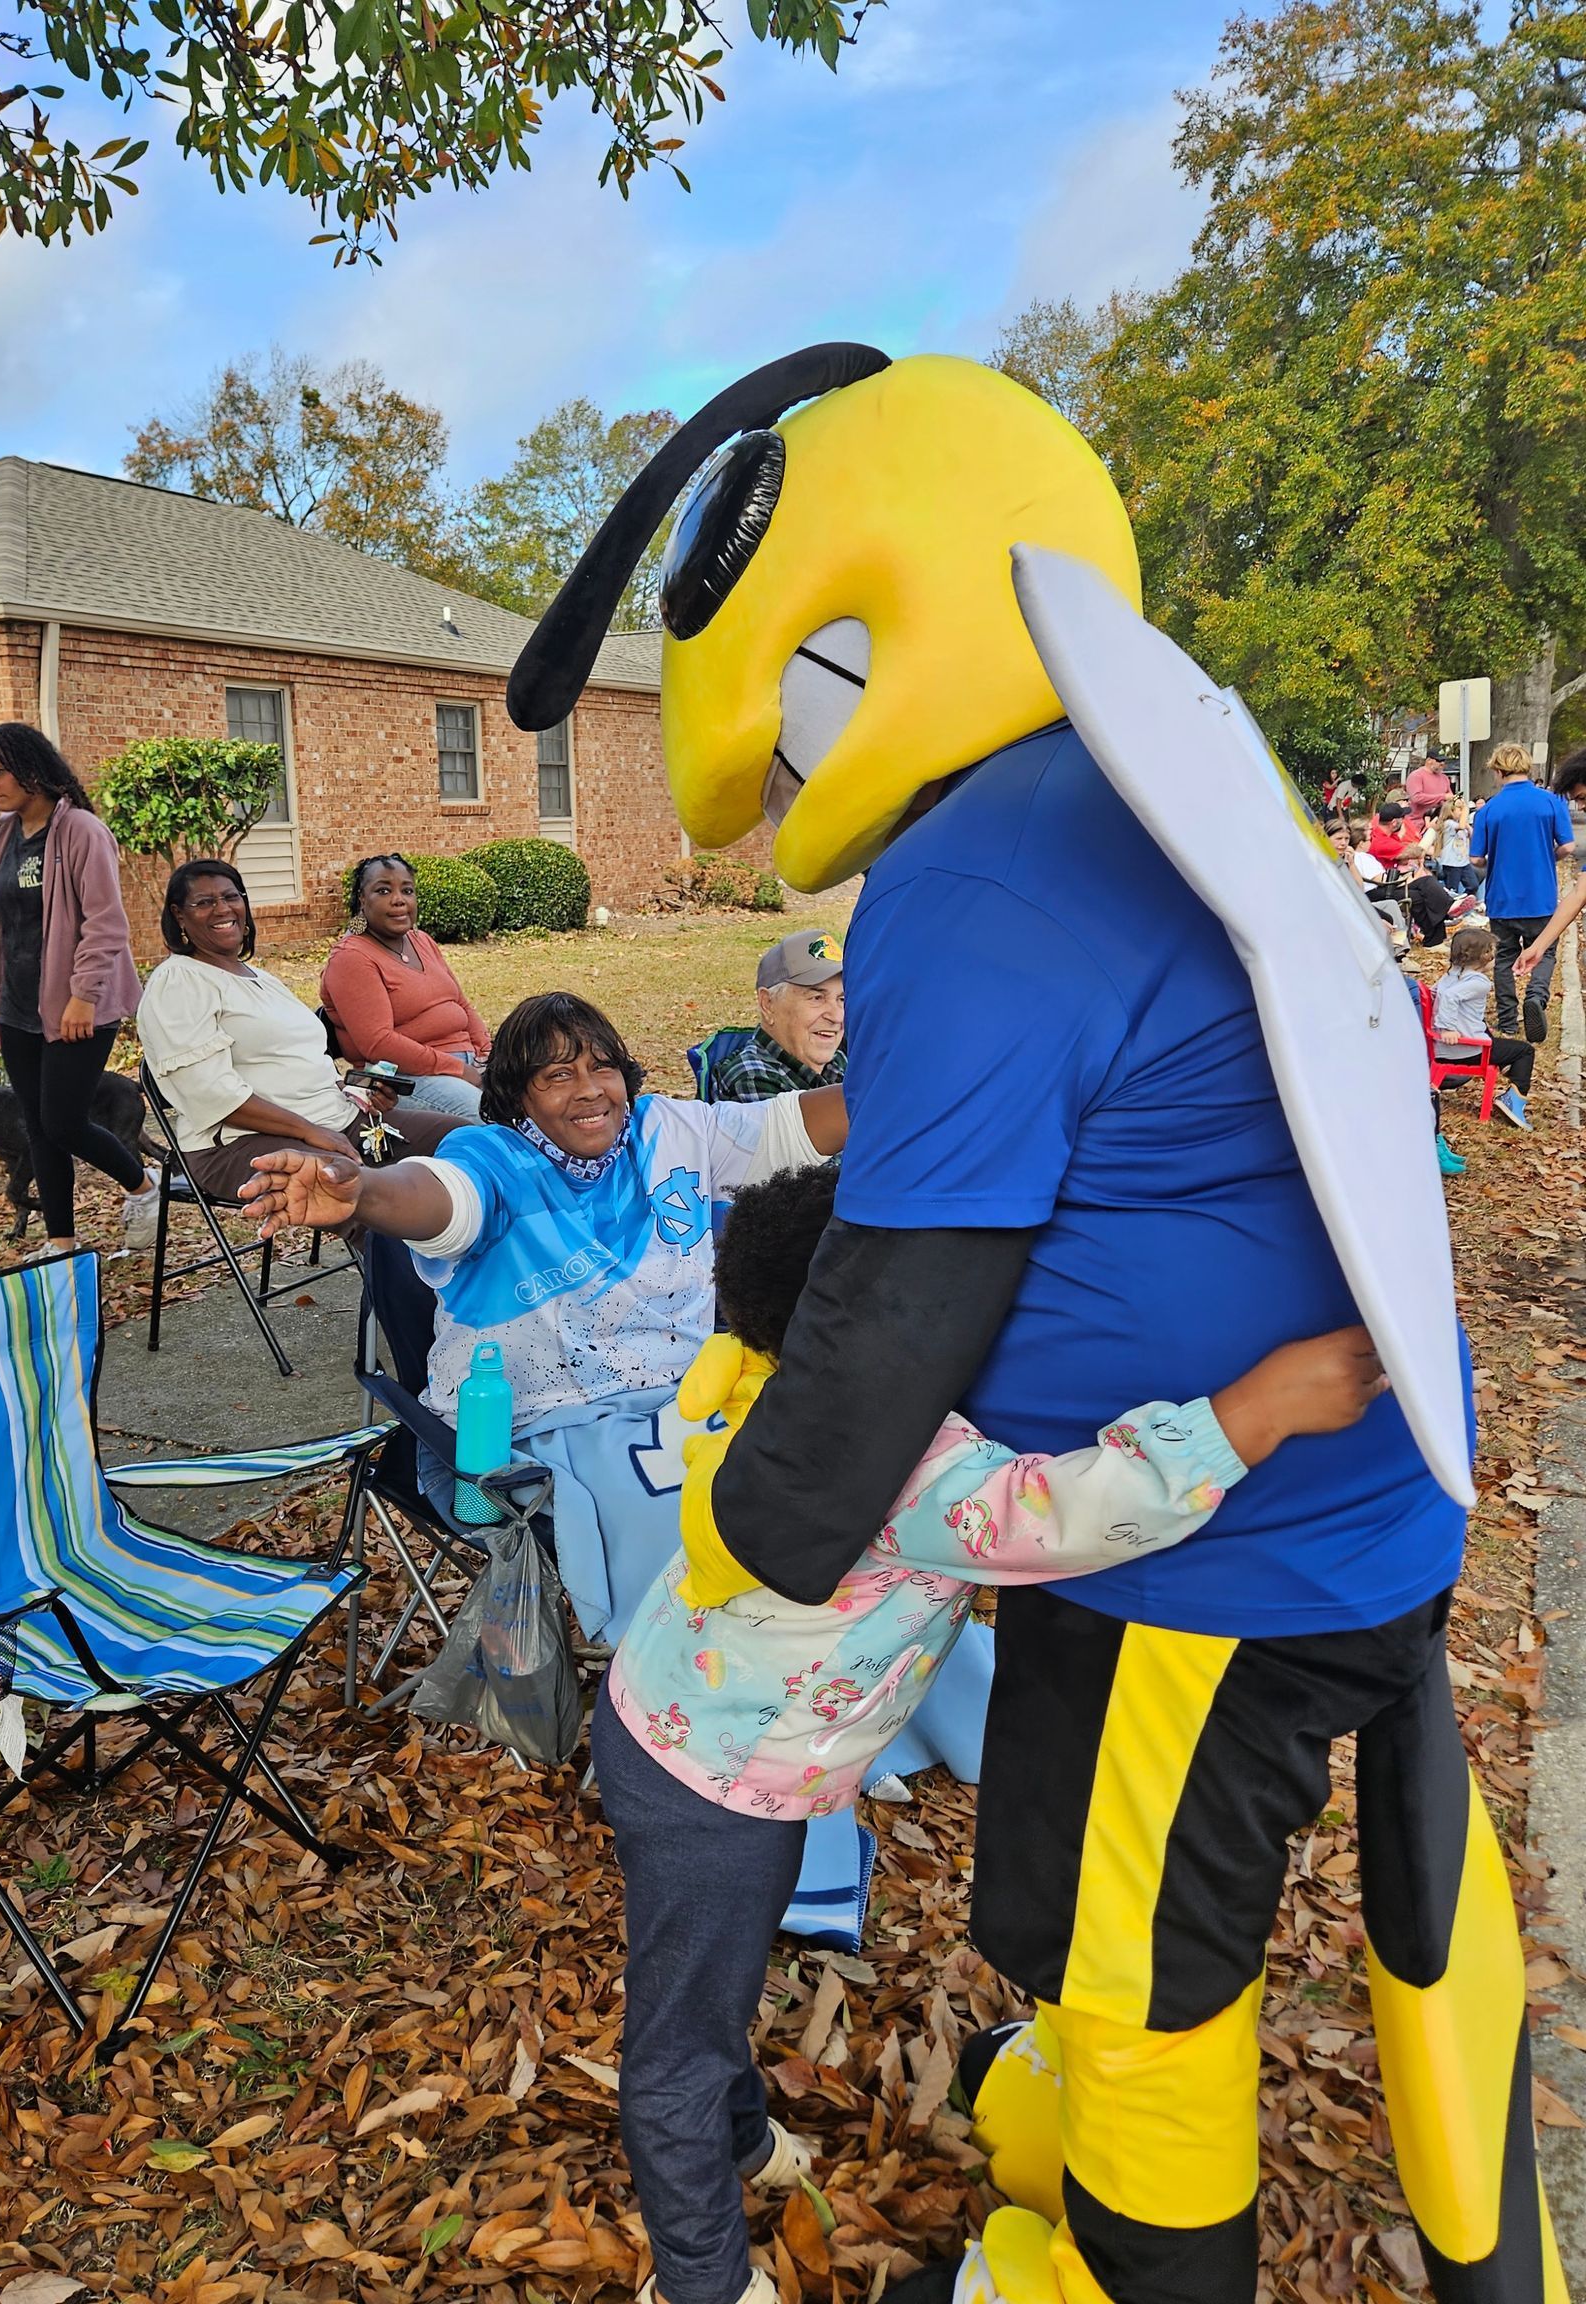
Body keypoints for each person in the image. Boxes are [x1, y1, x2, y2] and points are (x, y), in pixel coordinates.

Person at [505, 347, 1558, 2301]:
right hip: (1322, 1504)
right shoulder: (1161, 779)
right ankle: (1463, 2244)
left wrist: (764, 1529)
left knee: (1158, 1983)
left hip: (1232, 1564)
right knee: (1319, 1893)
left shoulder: (980, 868)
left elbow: (909, 1295)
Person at [597, 1161, 1387, 2304]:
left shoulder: (794, 1383)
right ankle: (701, 2277)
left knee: (710, 1972)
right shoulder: (896, 1463)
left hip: (686, 1737)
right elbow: (1063, 1513)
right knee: (680, 2028)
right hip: (709, 1784)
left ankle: (733, 2137)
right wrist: (1249, 1415)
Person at [239, 990, 847, 1643]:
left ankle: (846, 1674)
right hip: (543, 1424)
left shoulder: (671, 1132)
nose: (589, 1091)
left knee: (818, 1476)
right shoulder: (492, 1162)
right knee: (690, 1512)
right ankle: (693, 1683)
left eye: (602, 1068)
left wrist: (929, 1077)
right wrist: (363, 1190)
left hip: (690, 1403)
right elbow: (436, 1200)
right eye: (557, 1075)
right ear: (518, 1095)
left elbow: (795, 1124)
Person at [136, 859, 470, 1206]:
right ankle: (405, 1254)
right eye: (204, 902)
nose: (223, 909)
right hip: (242, 1143)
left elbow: (298, 1064)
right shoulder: (179, 982)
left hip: (336, 1121)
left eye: (231, 897)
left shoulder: (260, 978)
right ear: (179, 915)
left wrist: (354, 1092)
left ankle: (493, 1246)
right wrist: (310, 1131)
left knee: (468, 1140)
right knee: (360, 1192)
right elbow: (213, 1096)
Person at [0, 724, 155, 1256]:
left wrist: (84, 993)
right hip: (18, 1006)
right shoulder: (4, 834)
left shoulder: (81, 831)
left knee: (63, 1121)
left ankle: (143, 1189)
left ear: (33, 767)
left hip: (80, 1004)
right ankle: (61, 1242)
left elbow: (105, 922)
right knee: (38, 1126)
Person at [320, 853, 492, 1118]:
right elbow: (378, 1043)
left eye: (407, 890)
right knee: (480, 1112)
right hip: (400, 1079)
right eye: (383, 890)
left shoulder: (421, 940)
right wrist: (459, 1070)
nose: (399, 899)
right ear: (362, 900)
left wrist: (486, 1051)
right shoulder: (351, 958)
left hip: (467, 1062)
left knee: (535, 1094)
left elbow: (460, 1003)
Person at [1472, 740, 1574, 1041]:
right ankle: (1536, 997)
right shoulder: (1550, 802)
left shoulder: (1489, 809)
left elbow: (1477, 858)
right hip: (1540, 896)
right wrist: (1548, 854)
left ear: (1500, 770)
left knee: (1504, 956)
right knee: (1545, 951)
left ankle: (1507, 1020)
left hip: (1501, 897)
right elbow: (1568, 846)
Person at [704, 930, 847, 1100]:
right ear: (768, 1004)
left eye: (842, 999)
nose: (837, 1017)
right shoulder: (751, 1078)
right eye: (817, 998)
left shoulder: (838, 1062)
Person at [1436, 924, 1534, 1129]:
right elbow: (1450, 997)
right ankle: (1514, 1101)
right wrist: (1446, 1028)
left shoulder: (1451, 974)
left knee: (1487, 1029)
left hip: (1442, 1047)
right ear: (1485, 957)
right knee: (1525, 1051)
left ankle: (1509, 1068)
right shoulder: (1480, 982)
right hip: (1467, 1050)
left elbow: (1435, 993)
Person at [1434, 793, 1479, 895]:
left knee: (1473, 885)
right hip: (1451, 862)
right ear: (1451, 811)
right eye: (1459, 810)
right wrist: (1465, 809)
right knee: (1452, 889)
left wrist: (1468, 827)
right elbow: (1461, 826)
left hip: (1463, 861)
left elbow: (1472, 834)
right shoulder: (1448, 824)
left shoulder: (1461, 824)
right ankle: (1450, 906)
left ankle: (1463, 900)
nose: (1461, 812)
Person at [1405, 751, 1454, 840]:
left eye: (1443, 761)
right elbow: (1416, 797)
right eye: (1439, 760)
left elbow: (1449, 797)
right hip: (1417, 824)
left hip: (1439, 823)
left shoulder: (1444, 778)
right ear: (1429, 760)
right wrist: (1442, 797)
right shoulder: (1416, 776)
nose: (1442, 763)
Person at [1366, 799, 1411, 871]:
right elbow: (1416, 853)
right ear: (1394, 822)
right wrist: (1431, 830)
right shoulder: (1382, 842)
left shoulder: (1380, 834)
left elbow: (1403, 859)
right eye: (1402, 818)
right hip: (1386, 879)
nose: (1404, 821)